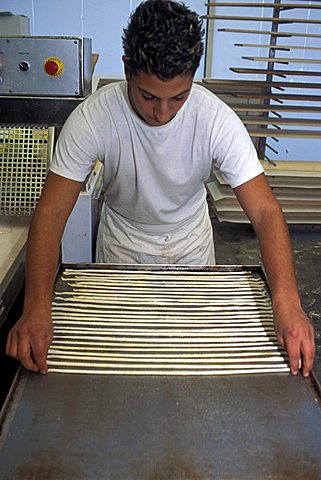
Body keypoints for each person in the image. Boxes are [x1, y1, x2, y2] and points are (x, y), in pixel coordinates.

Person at [6, 0, 314, 376]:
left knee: (190, 362)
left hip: (192, 247)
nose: (162, 113)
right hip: (122, 246)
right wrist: (36, 306)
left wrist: (288, 303)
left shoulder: (216, 120)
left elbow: (265, 212)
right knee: (122, 364)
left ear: (193, 78)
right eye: (148, 96)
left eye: (178, 97)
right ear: (126, 70)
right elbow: (52, 210)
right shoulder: (95, 117)